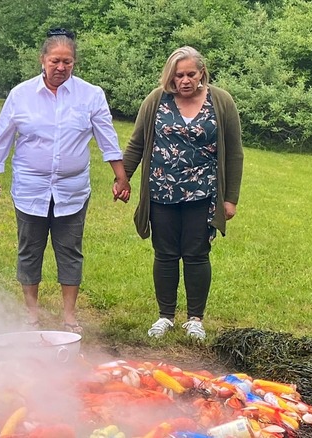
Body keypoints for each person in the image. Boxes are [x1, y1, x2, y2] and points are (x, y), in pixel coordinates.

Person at [0, 28, 130, 334]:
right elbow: (2, 139)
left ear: (74, 63)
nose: (61, 67)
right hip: (30, 189)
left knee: (70, 251)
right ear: (43, 60)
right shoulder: (21, 95)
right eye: (55, 61)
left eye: (68, 62)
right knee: (29, 250)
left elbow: (107, 138)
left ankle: (68, 317)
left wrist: (121, 177)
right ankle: (32, 315)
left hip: (72, 190)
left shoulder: (90, 95)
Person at [120, 46, 244, 340]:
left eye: (190, 74)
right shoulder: (156, 100)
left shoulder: (221, 101)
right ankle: (165, 316)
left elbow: (235, 152)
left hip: (203, 194)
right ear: (170, 76)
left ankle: (195, 319)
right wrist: (123, 179)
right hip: (161, 192)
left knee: (197, 255)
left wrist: (230, 199)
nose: (185, 80)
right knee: (164, 255)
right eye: (178, 75)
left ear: (202, 73)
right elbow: (137, 143)